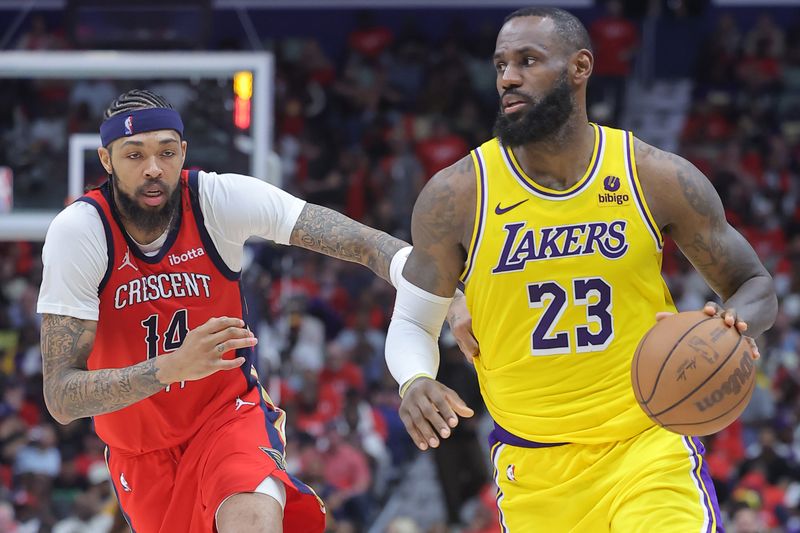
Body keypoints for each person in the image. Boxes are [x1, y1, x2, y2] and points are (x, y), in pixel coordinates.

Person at [385, 7, 778, 532]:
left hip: (646, 446)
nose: (508, 77)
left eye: (528, 60)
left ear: (580, 67)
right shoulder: (457, 195)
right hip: (534, 467)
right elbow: (413, 321)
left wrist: (727, 323)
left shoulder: (652, 177)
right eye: (501, 64)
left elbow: (754, 285)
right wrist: (414, 379)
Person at [36, 89, 469, 533]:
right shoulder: (80, 232)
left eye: (166, 152)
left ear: (183, 151)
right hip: (140, 451)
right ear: (106, 160)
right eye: (134, 155)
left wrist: (442, 294)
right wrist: (168, 368)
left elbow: (359, 241)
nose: (153, 168)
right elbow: (62, 397)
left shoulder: (217, 200)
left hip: (227, 416)